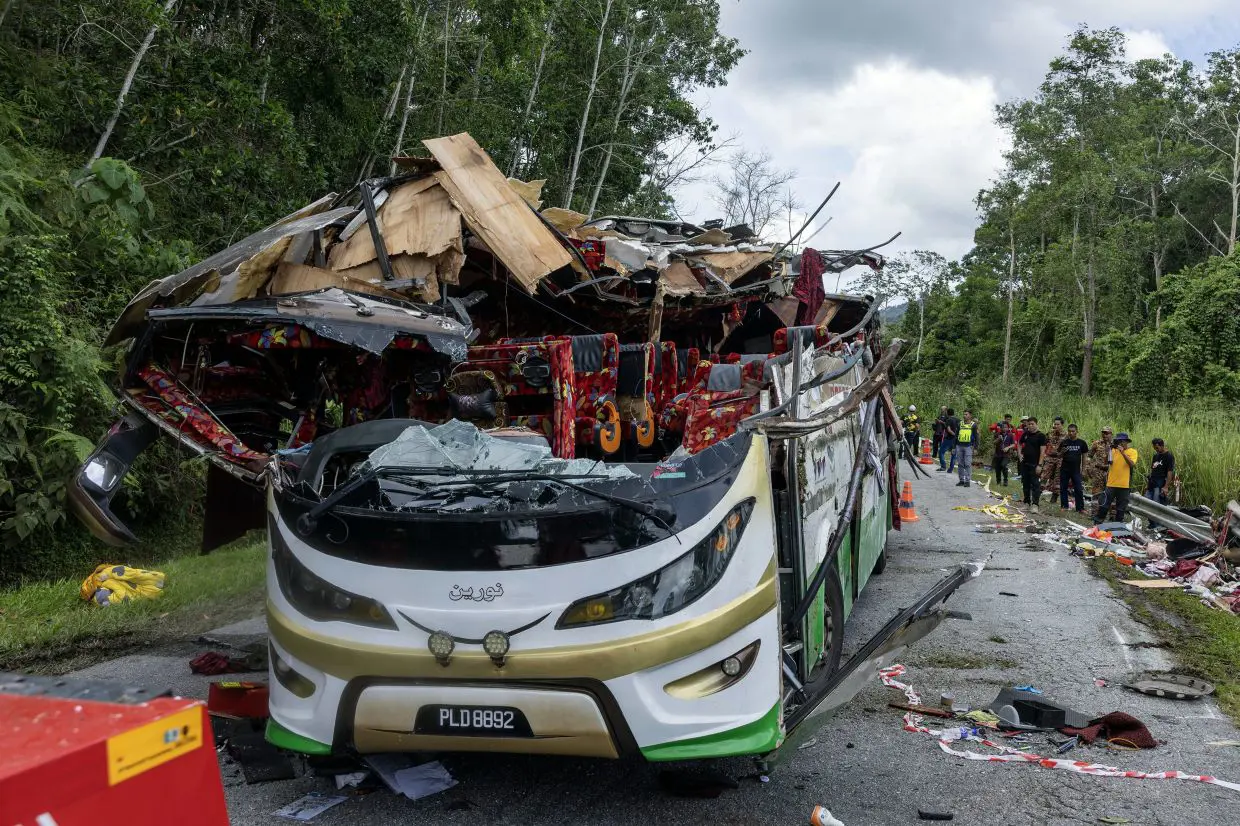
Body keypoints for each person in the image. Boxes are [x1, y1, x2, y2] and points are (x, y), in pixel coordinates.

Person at [1094, 432, 1138, 524]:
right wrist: (1108, 451)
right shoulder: (1114, 450)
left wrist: (1122, 453)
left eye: (1122, 441)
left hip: (1124, 485)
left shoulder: (1132, 451)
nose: (1120, 443)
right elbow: (1107, 462)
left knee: (1121, 508)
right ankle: (1097, 523)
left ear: (1126, 442)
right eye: (1118, 441)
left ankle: (1117, 525)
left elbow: (1131, 464)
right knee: (1104, 505)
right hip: (1111, 484)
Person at [1019, 417, 1048, 513]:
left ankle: (1035, 505)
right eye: (1029, 424)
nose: (1030, 426)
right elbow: (1019, 443)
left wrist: (1040, 465)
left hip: (1035, 464)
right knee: (1025, 484)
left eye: (1032, 424)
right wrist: (1020, 455)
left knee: (1035, 485)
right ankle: (1026, 503)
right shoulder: (1025, 434)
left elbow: (1042, 451)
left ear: (1036, 424)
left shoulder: (1041, 436)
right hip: (1025, 463)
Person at [1057, 423, 1088, 513]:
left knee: (1078, 488)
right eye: (1069, 431)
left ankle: (1080, 508)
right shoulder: (1064, 442)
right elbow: (1058, 456)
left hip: (1076, 470)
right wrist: (1062, 452)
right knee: (1063, 488)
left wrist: (1084, 470)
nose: (1071, 433)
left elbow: (1084, 457)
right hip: (1065, 469)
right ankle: (1064, 506)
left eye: (1073, 431)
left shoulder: (1082, 443)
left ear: (1077, 431)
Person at [1085, 426, 1114, 511]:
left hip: (1110, 472)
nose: (1105, 435)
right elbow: (1089, 456)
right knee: (1096, 493)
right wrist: (1088, 467)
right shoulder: (1097, 443)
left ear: (1111, 434)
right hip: (1098, 472)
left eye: (1107, 433)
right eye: (1103, 433)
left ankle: (1111, 513)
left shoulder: (1115, 445)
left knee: (1111, 493)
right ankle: (1095, 512)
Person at [1040, 417, 1067, 501]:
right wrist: (1044, 454)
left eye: (1058, 424)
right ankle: (1038, 493)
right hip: (1049, 458)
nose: (1056, 426)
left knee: (1057, 479)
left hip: (1060, 459)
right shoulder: (1050, 433)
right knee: (1044, 475)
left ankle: (1054, 497)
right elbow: (1044, 443)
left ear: (1062, 425)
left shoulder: (1066, 435)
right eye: (1055, 424)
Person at [1146, 438, 1176, 505]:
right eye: (1154, 448)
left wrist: (1166, 487)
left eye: (1157, 448)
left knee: (1156, 503)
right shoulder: (1155, 456)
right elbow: (1153, 469)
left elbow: (1170, 472)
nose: (1156, 450)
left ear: (1162, 445)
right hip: (1152, 483)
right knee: (1147, 501)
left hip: (1160, 483)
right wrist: (1148, 484)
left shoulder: (1169, 456)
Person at [954, 410, 979, 487]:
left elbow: (976, 437)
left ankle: (967, 481)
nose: (964, 416)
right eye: (964, 414)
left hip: (968, 447)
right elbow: (956, 436)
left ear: (970, 416)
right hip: (959, 446)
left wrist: (975, 448)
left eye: (966, 414)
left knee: (967, 464)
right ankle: (961, 480)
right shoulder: (960, 424)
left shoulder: (974, 425)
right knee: (960, 464)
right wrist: (953, 447)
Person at [991, 420, 1016, 486]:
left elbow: (1013, 444)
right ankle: (998, 481)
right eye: (1003, 427)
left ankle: (1005, 481)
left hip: (1006, 454)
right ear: (1001, 428)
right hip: (998, 454)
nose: (1005, 428)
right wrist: (998, 439)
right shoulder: (997, 434)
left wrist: (1008, 447)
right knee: (998, 468)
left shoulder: (1010, 435)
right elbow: (994, 443)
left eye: (1006, 427)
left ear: (1008, 428)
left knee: (1004, 466)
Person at [937, 407, 959, 472]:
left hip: (949, 438)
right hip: (956, 440)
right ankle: (950, 469)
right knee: (953, 454)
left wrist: (954, 434)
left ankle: (943, 466)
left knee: (941, 452)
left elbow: (949, 430)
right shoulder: (959, 420)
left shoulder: (949, 420)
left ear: (947, 413)